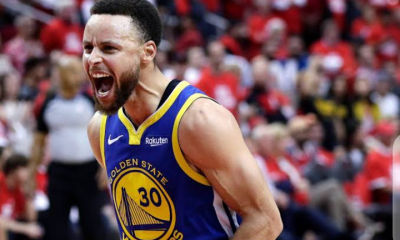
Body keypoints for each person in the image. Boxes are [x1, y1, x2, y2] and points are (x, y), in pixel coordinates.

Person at [84, 0, 282, 240]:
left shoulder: (199, 120)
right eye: (88, 48)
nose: (92, 59)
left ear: (147, 52)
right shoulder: (100, 128)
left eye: (108, 48)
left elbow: (265, 221)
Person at [29, 55, 110, 240]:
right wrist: (32, 174)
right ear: (61, 75)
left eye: (78, 71)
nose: (80, 75)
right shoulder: (48, 104)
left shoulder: (91, 101)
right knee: (57, 228)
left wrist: (104, 167)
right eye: (73, 71)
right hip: (59, 174)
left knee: (93, 226)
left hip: (87, 173)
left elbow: (104, 136)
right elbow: (38, 142)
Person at [0, 154, 43, 240]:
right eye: (26, 169)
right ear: (14, 171)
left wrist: (29, 195)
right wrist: (24, 228)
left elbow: (31, 219)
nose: (29, 173)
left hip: (10, 230)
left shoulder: (19, 188)